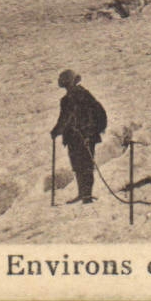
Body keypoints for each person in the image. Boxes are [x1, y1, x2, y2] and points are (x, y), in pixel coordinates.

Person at [50, 69, 107, 205]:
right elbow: (65, 119)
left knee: (84, 165)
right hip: (78, 138)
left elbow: (66, 119)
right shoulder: (78, 96)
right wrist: (57, 130)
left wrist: (56, 131)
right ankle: (83, 194)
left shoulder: (77, 97)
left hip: (83, 137)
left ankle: (86, 195)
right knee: (79, 165)